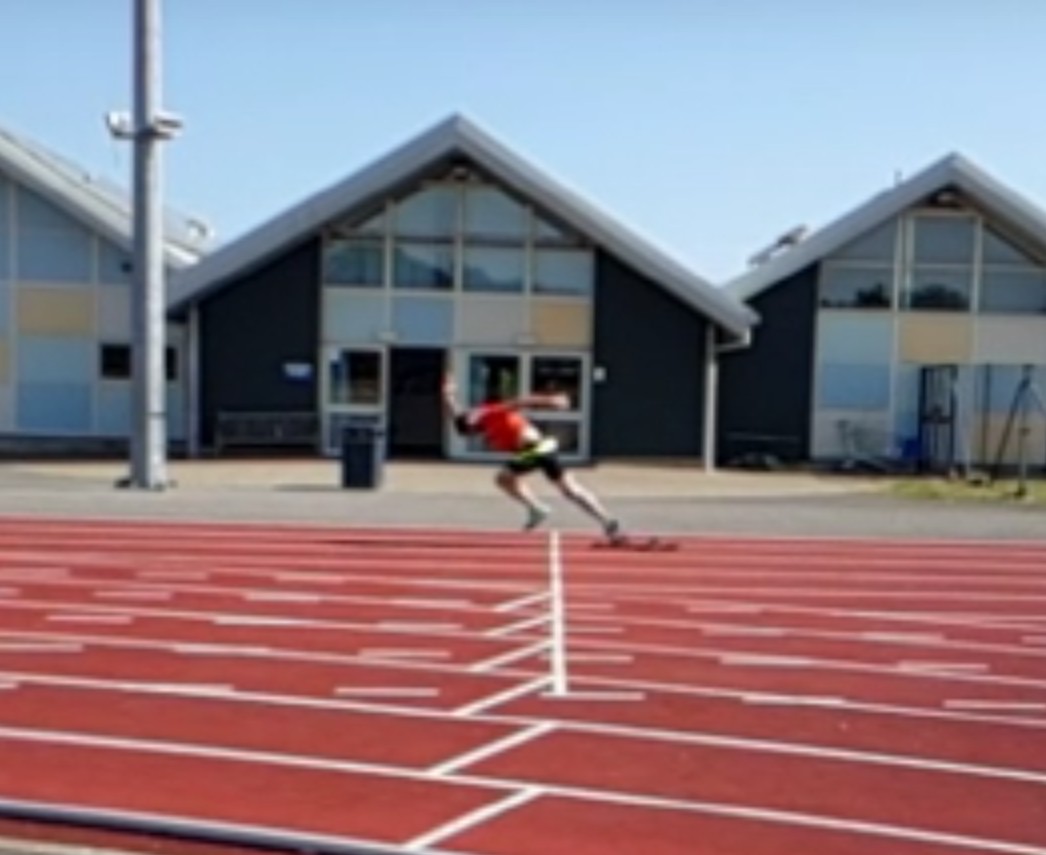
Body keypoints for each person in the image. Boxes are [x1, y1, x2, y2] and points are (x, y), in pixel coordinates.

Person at [442, 371, 623, 540]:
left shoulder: (491, 411)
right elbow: (460, 424)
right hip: (539, 449)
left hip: (535, 449)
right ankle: (607, 521)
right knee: (568, 489)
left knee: (505, 478)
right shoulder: (481, 422)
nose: (475, 432)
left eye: (472, 427)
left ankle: (538, 509)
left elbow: (522, 402)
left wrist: (551, 401)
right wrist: (449, 397)